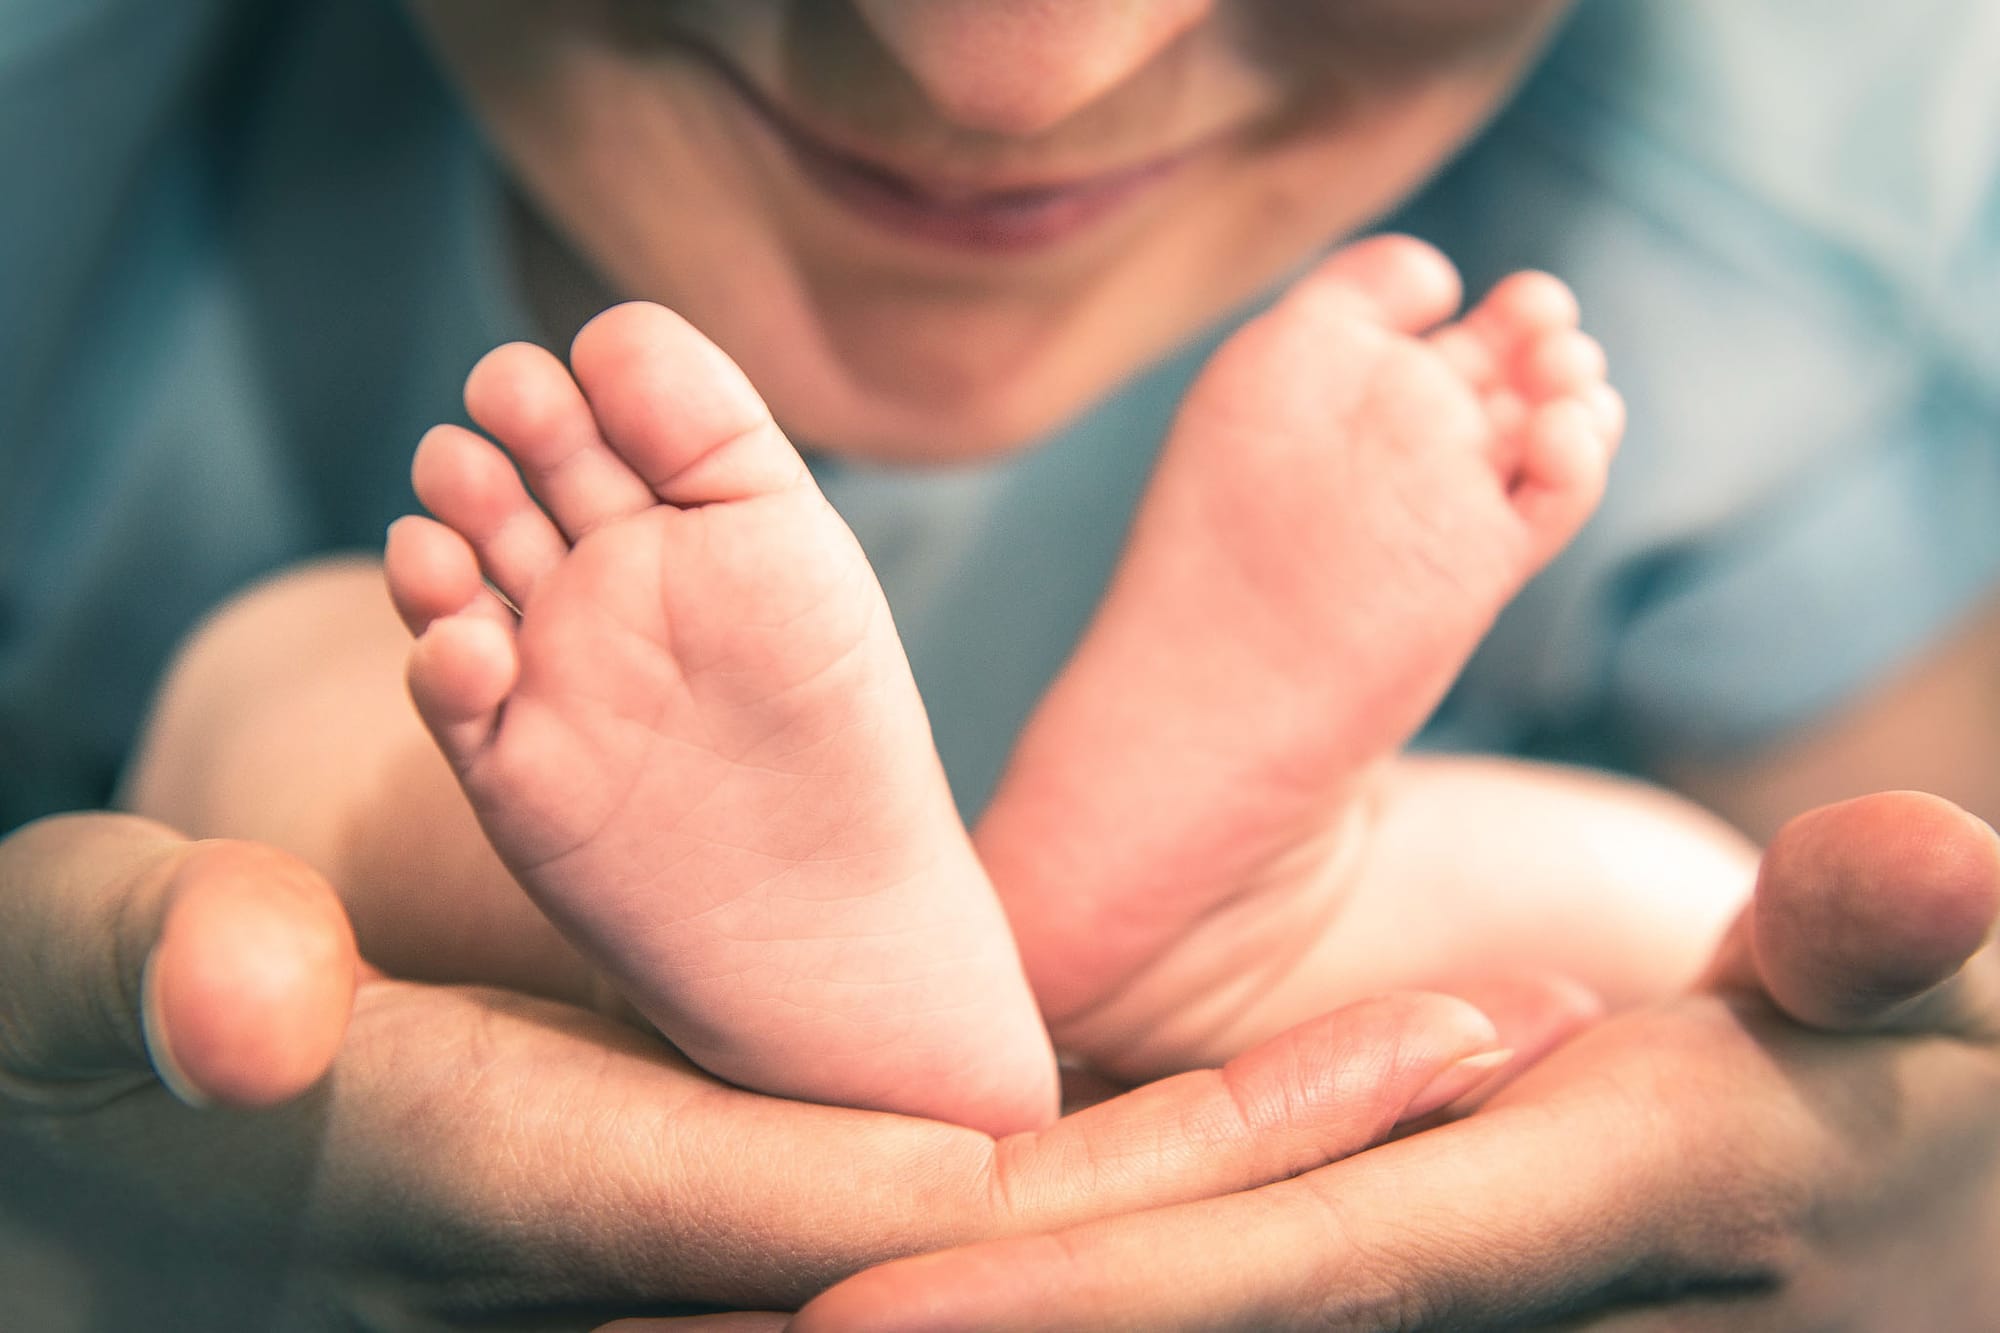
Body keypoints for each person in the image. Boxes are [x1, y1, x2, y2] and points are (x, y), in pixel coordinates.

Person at [5, 0, 1999, 1325]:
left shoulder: (1800, 209)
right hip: (1328, 975)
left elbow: (1891, 953)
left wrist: (1934, 1226)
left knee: (319, 696)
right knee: (1591, 906)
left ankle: (933, 960)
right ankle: (1221, 920)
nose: (1007, 76)